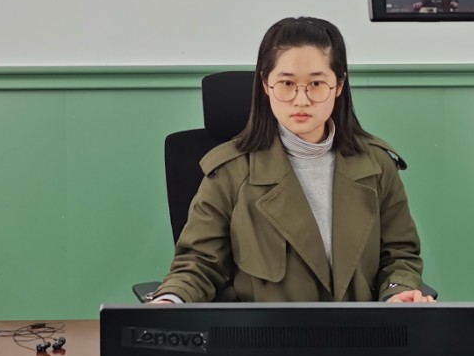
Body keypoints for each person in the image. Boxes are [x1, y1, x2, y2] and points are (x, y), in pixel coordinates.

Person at [151, 16, 434, 304]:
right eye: (286, 83)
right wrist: (171, 299)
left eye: (316, 83)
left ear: (339, 84)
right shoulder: (230, 171)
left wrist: (397, 292)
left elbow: (399, 254)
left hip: (359, 329)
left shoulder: (376, 165)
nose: (301, 100)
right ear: (266, 84)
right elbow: (199, 264)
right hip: (263, 330)